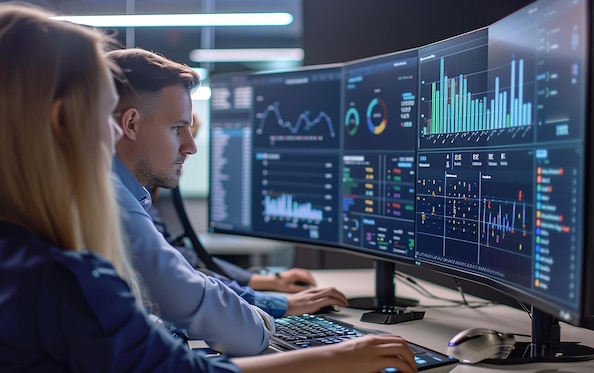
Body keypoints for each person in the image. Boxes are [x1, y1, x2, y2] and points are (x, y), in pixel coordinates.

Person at [0, 3, 421, 372]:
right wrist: (333, 358)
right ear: (62, 123)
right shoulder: (65, 281)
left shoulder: (22, 256)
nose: (112, 134)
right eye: (101, 114)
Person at [107, 47, 351, 353]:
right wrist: (267, 319)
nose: (191, 146)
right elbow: (197, 305)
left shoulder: (114, 191)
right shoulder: (110, 199)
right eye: (177, 128)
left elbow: (172, 285)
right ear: (130, 124)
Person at [150, 112, 318, 293]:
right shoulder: (132, 201)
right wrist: (276, 303)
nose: (190, 149)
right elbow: (177, 272)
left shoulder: (142, 195)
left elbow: (181, 258)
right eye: (176, 131)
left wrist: (262, 281)